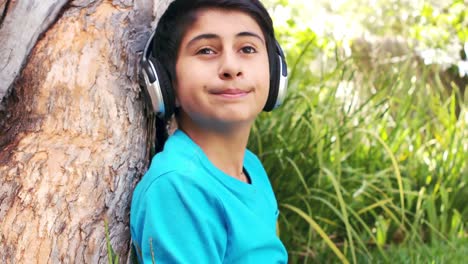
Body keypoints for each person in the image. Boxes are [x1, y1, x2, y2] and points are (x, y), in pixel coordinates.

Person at [130, 0, 288, 263]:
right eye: (206, 50)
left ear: (275, 73)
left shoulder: (250, 167)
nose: (231, 67)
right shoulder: (178, 188)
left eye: (247, 48)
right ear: (167, 83)